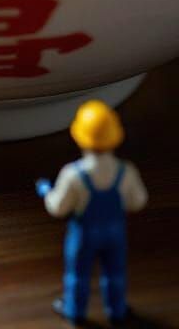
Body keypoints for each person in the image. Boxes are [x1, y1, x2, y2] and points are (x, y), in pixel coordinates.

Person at [36, 100, 148, 325]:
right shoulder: (125, 171)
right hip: (114, 231)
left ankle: (75, 311)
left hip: (84, 234)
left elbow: (58, 208)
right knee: (114, 273)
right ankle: (117, 312)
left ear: (79, 137)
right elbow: (138, 201)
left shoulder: (73, 175)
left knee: (78, 275)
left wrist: (47, 192)